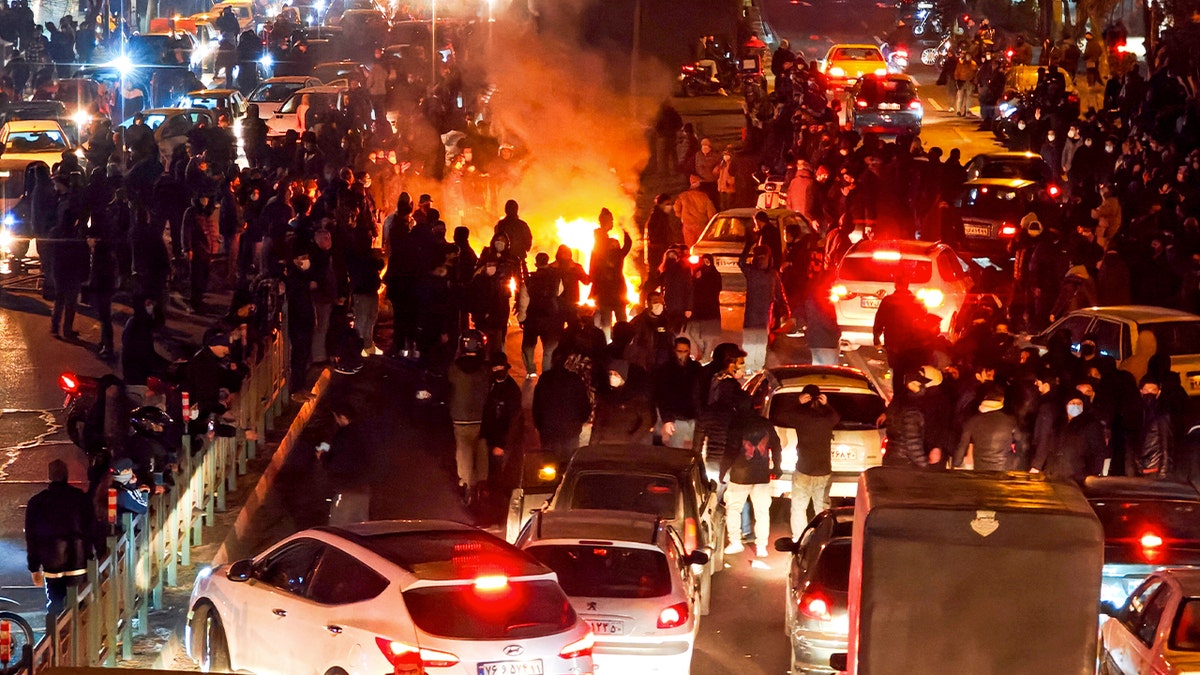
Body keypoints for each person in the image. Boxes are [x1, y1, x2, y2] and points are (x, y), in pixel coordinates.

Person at [26, 459, 100, 616]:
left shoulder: (37, 502)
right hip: (78, 560)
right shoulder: (80, 498)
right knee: (80, 603)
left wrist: (34, 567)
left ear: (50, 476)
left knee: (56, 603)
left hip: (51, 562)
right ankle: (80, 637)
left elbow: (31, 538)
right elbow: (92, 527)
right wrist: (98, 551)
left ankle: (57, 637)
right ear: (66, 476)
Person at [721, 402, 781, 558]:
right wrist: (777, 466)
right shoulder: (765, 424)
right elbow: (777, 446)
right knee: (762, 511)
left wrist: (723, 471)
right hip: (761, 475)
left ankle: (735, 542)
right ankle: (761, 546)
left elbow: (730, 450)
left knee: (734, 509)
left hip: (740, 475)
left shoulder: (737, 424)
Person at [785, 384, 840, 540]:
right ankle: (822, 537)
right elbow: (836, 417)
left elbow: (784, 415)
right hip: (823, 470)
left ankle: (799, 539)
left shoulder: (800, 417)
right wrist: (827, 405)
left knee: (798, 507)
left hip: (804, 469)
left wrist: (797, 402)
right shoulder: (827, 418)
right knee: (821, 507)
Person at [447, 330, 491, 505]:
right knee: (481, 448)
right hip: (480, 416)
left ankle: (466, 482)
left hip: (460, 417)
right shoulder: (485, 369)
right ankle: (482, 481)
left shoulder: (454, 369)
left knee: (463, 450)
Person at [317, 400, 373, 525]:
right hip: (364, 490)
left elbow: (336, 464)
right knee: (361, 526)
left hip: (347, 490)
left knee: (338, 528)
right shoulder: (364, 432)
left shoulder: (342, 436)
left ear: (342, 417)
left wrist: (322, 457)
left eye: (336, 417)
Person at [1030, 393, 1107, 482]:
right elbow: (1046, 446)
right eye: (1072, 403)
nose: (1075, 406)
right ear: (1066, 405)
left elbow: (1098, 452)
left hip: (1077, 477)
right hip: (1053, 475)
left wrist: (1090, 474)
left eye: (1078, 404)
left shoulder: (1090, 425)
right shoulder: (1058, 424)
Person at [532, 351, 592, 462]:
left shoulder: (545, 379)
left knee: (549, 464)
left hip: (548, 431)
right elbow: (584, 405)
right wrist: (580, 421)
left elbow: (537, 405)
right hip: (570, 431)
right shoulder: (575, 379)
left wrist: (539, 425)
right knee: (568, 463)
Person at [739, 242, 787, 374]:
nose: (761, 260)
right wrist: (748, 245)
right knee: (753, 346)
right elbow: (741, 263)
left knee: (756, 346)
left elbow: (779, 294)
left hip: (761, 318)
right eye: (759, 257)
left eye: (763, 257)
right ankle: (752, 370)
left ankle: (755, 370)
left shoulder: (769, 274)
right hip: (756, 318)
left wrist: (785, 310)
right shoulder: (755, 272)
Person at [953, 386, 1028, 471]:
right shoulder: (1010, 421)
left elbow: (962, 446)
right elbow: (1022, 444)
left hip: (981, 467)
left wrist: (956, 464)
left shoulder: (973, 421)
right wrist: (1016, 462)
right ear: (1002, 400)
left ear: (985, 399)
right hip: (1005, 466)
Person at [517, 252, 564, 377]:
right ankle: (546, 375)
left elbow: (523, 302)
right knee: (549, 349)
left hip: (533, 317)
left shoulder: (529, 280)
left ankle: (531, 370)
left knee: (528, 345)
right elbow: (559, 292)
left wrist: (521, 318)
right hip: (551, 317)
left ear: (536, 263)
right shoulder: (556, 278)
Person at [481, 352, 523, 492]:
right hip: (492, 437)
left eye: (500, 368)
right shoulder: (491, 384)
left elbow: (513, 421)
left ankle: (496, 500)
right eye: (495, 368)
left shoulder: (512, 390)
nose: (498, 371)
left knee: (498, 473)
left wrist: (501, 444)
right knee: (492, 471)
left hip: (502, 441)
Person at [653, 337, 704, 449]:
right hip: (677, 418)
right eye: (679, 351)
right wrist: (667, 419)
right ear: (674, 351)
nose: (682, 354)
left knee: (696, 450)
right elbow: (662, 396)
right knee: (677, 450)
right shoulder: (666, 369)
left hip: (693, 416)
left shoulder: (696, 368)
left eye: (685, 351)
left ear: (689, 351)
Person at [591, 359, 656, 445]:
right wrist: (593, 444)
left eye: (616, 374)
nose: (612, 377)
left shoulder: (636, 398)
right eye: (610, 374)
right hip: (605, 443)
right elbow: (598, 423)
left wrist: (632, 439)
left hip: (625, 446)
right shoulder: (606, 396)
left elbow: (646, 422)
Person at [873, 276, 924, 375]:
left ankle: (899, 388)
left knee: (896, 370)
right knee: (909, 368)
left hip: (893, 342)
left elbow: (879, 320)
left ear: (896, 285)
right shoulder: (916, 301)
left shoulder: (888, 300)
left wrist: (876, 338)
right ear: (908, 284)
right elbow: (922, 321)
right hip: (911, 342)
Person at [674, 174, 716, 247]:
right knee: (701, 247)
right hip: (701, 226)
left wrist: (681, 216)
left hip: (687, 225)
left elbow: (676, 208)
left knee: (690, 247)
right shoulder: (705, 197)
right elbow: (711, 213)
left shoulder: (683, 196)